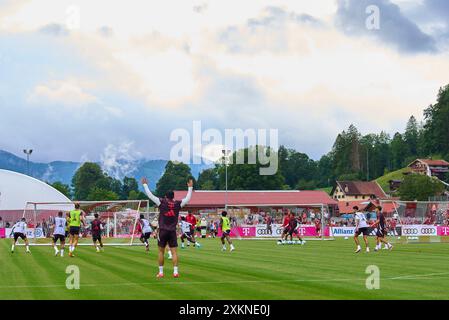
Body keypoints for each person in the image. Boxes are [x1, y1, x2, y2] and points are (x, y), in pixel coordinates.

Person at [142, 177, 193, 278]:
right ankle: (175, 272)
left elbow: (150, 195)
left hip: (163, 231)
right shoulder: (178, 204)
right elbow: (187, 198)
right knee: (174, 252)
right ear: (173, 196)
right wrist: (190, 187)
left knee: (161, 251)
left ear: (165, 196)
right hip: (172, 231)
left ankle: (161, 272)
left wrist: (145, 185)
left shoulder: (162, 202)